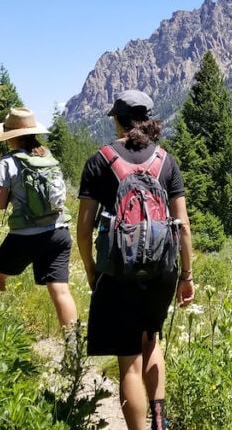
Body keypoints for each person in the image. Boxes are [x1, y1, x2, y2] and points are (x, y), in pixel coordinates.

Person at [76, 90, 195, 430]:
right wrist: (186, 276)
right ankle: (159, 421)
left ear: (117, 119)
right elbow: (183, 226)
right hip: (162, 268)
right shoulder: (165, 161)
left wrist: (92, 270)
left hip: (119, 269)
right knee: (151, 339)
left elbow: (84, 230)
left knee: (128, 360)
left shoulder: (101, 160)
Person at [0, 107, 79, 329]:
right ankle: (73, 347)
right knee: (61, 290)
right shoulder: (47, 157)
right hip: (59, 232)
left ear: (11, 137)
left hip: (25, 236)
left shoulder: (8, 162)